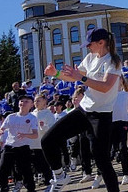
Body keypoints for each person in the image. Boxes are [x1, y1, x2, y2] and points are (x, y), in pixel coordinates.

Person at [41, 28, 122, 191]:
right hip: (84, 110)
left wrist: (81, 78)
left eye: (90, 44)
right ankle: (60, 176)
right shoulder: (90, 57)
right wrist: (55, 73)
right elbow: (74, 76)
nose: (88, 47)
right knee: (48, 140)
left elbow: (105, 86)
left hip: (101, 116)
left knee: (101, 160)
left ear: (101, 43)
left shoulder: (113, 61)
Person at [0, 95, 38, 192]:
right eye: (21, 101)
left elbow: (35, 135)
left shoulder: (32, 118)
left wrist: (25, 134)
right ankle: (3, 187)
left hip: (23, 147)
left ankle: (31, 189)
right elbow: (2, 128)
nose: (23, 103)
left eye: (26, 102)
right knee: (2, 169)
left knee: (25, 170)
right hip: (9, 146)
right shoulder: (11, 116)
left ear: (31, 105)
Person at [32, 94, 56, 188]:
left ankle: (48, 179)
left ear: (44, 102)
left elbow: (52, 128)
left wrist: (43, 126)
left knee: (45, 162)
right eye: (35, 101)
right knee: (36, 162)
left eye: (38, 101)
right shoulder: (32, 113)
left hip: (43, 141)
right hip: (33, 142)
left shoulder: (48, 114)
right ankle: (39, 176)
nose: (36, 103)